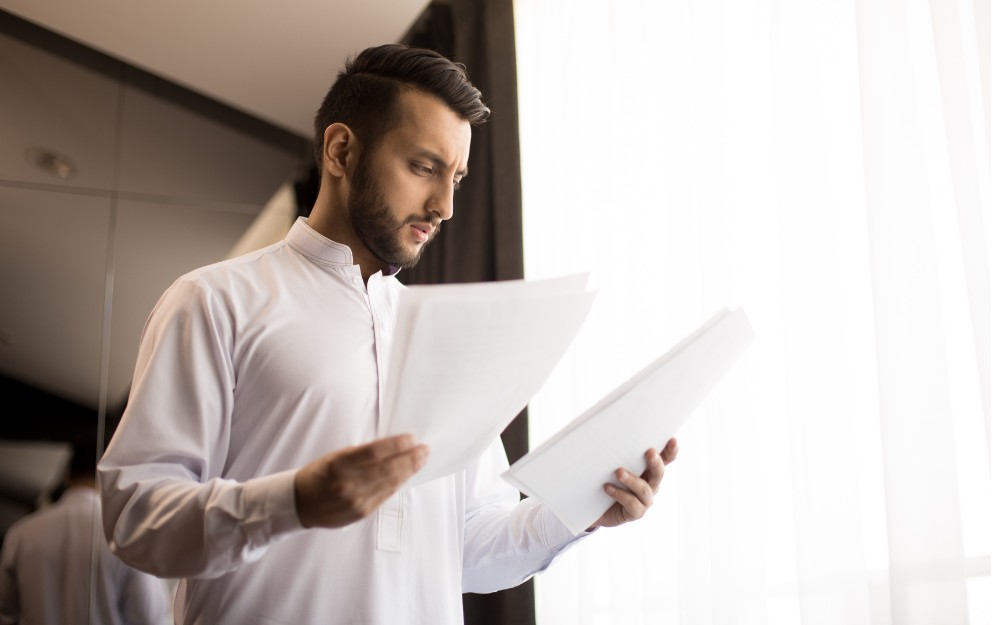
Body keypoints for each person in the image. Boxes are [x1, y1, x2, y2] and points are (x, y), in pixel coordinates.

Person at [97, 43, 679, 624]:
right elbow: (134, 519)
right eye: (424, 167)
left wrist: (581, 508)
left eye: (456, 177)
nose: (445, 205)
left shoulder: (448, 335)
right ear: (341, 150)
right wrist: (292, 502)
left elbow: (472, 551)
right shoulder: (215, 301)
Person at [0, 443, 171, 625]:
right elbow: (150, 619)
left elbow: (5, 615)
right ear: (113, 478)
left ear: (67, 476)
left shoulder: (20, 533)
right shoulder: (127, 536)